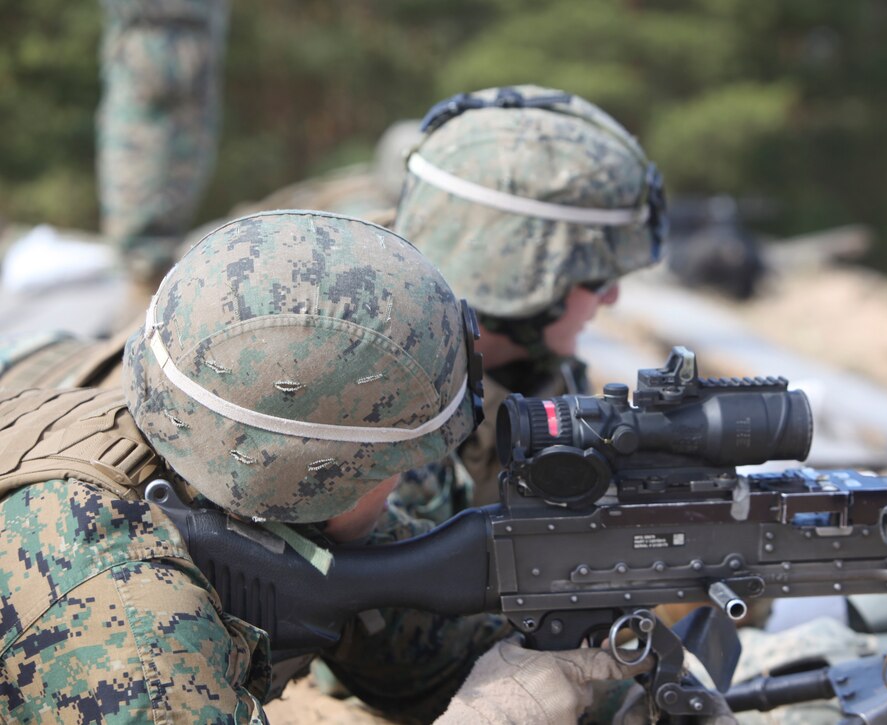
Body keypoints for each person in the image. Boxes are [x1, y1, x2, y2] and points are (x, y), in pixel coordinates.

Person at [1, 210, 635, 722]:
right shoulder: (124, 623)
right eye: (397, 462)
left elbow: (429, 652)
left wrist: (620, 689)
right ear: (318, 475)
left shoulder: (223, 476)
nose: (404, 484)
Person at [393, 84, 668, 511]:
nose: (611, 297)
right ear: (517, 274)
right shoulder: (376, 416)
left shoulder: (542, 378)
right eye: (596, 279)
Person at [97, 0, 229, 301]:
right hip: (158, 37)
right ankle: (145, 291)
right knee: (146, 253)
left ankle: (149, 281)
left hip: (189, 34)